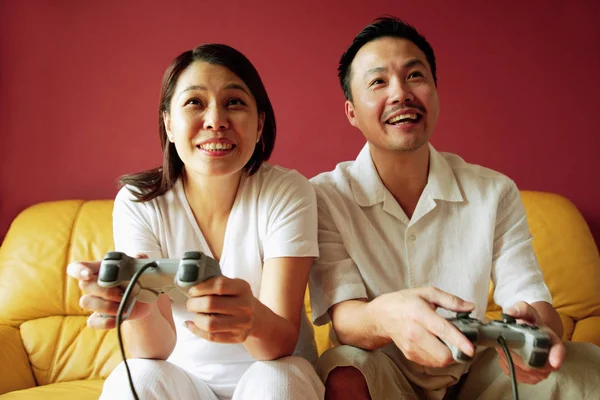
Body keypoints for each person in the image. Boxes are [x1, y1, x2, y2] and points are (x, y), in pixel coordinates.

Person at [308, 16, 600, 400]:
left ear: (434, 91)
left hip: (476, 371)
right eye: (378, 82)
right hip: (381, 370)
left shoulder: (494, 191)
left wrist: (539, 333)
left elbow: (529, 294)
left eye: (415, 76)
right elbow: (346, 321)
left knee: (582, 365)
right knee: (344, 369)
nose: (400, 93)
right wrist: (391, 317)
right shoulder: (323, 196)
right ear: (351, 112)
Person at [67, 43, 324, 400]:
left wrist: (250, 315)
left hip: (275, 370)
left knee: (276, 381)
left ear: (260, 122)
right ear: (169, 124)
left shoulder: (287, 191)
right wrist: (139, 309)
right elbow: (153, 352)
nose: (216, 120)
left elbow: (279, 343)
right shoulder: (140, 202)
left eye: (234, 102)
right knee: (133, 377)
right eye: (195, 103)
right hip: (185, 384)